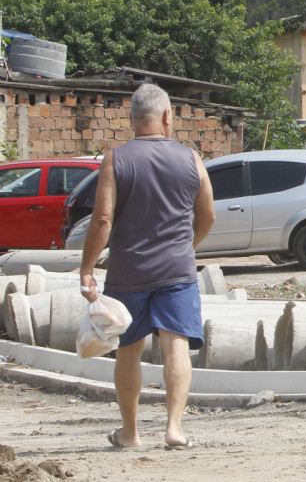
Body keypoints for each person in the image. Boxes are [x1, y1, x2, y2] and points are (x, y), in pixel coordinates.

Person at [78, 83, 216, 450]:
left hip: (128, 272)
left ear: (133, 120)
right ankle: (174, 428)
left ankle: (130, 434)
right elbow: (208, 215)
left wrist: (87, 269)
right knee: (176, 347)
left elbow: (102, 219)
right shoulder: (191, 159)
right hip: (177, 272)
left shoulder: (116, 159)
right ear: (168, 117)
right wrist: (187, 247)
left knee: (129, 350)